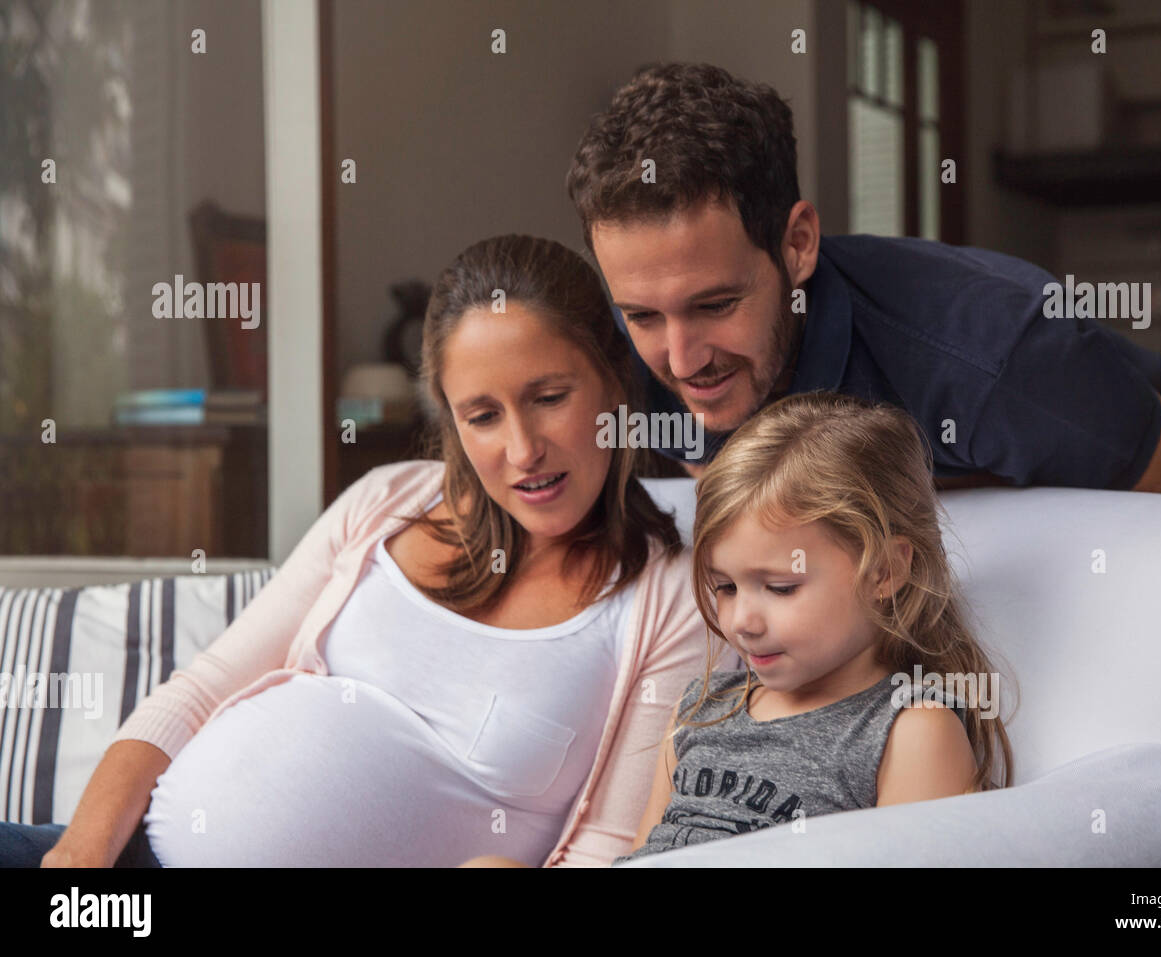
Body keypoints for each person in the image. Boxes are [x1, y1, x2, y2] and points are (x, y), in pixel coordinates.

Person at [0, 234, 738, 868]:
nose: (521, 450)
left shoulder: (673, 588)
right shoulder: (389, 499)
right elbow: (199, 689)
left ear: (615, 384)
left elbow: (613, 844)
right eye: (482, 414)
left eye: (549, 396)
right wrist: (79, 860)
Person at [564, 62, 1161, 497]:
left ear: (797, 245)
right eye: (644, 315)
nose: (680, 360)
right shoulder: (621, 351)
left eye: (716, 304)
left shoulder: (993, 355)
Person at [461, 391, 1015, 868]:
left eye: (780, 588)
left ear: (886, 572)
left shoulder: (909, 729)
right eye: (725, 587)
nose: (740, 622)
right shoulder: (702, 706)